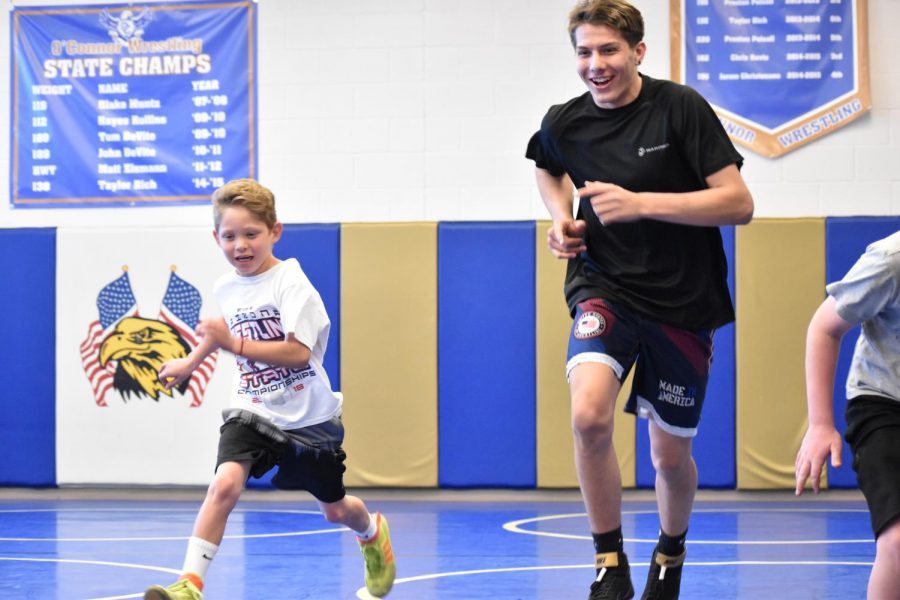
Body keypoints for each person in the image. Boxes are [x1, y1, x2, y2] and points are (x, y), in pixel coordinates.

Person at [525, 1, 753, 598]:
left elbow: (738, 203)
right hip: (604, 288)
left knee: (669, 457)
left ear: (637, 53)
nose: (595, 64)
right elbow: (547, 167)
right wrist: (560, 218)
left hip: (684, 301)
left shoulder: (680, 109)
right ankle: (608, 561)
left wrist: (642, 201)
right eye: (584, 52)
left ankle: (670, 554)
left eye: (608, 51)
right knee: (588, 415)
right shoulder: (564, 121)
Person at [144, 179, 395, 600]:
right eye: (229, 236)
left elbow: (298, 353)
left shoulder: (292, 285)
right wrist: (191, 361)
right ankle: (190, 584)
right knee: (224, 484)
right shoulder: (227, 286)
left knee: (335, 509)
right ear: (215, 238)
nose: (240, 245)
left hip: (309, 420)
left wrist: (235, 346)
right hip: (252, 411)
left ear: (274, 232)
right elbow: (223, 327)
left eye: (251, 234)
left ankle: (371, 533)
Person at [795, 231, 900, 600]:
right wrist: (821, 424)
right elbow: (824, 328)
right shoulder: (891, 260)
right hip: (885, 403)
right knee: (898, 541)